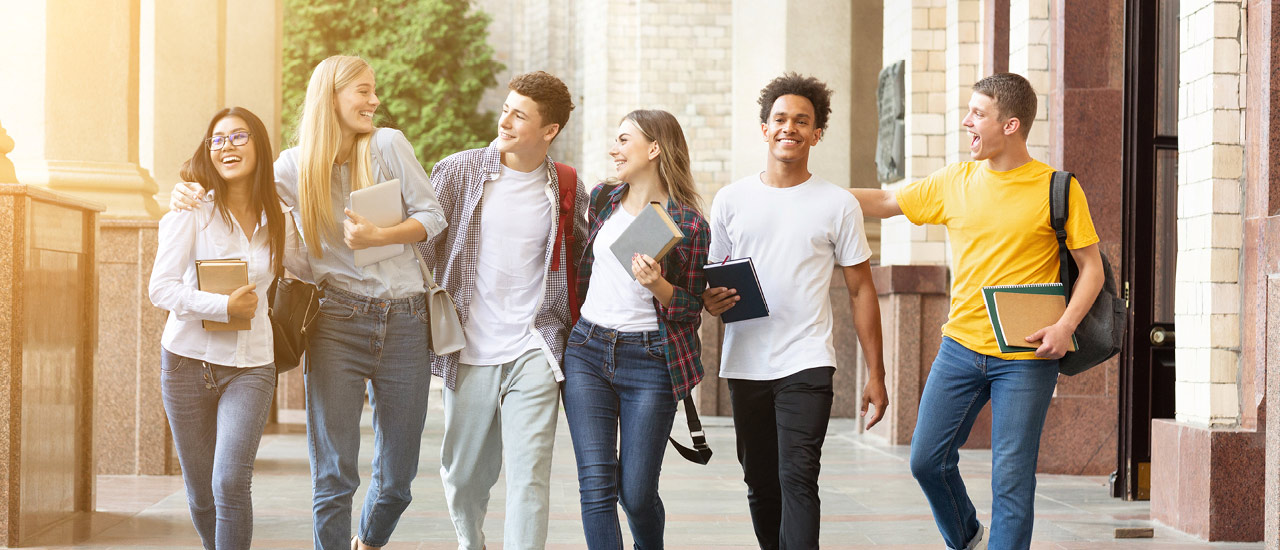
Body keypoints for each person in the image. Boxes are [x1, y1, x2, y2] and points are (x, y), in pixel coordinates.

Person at [169, 55, 448, 550]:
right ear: (332, 95)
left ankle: (369, 539)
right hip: (336, 320)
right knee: (335, 474)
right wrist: (185, 191)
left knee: (398, 480)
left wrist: (382, 233)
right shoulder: (293, 166)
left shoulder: (388, 144)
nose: (374, 100)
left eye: (373, 90)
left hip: (405, 318)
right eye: (363, 90)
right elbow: (240, 191)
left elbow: (433, 214)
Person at [849, 72, 1104, 550]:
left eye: (977, 114)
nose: (967, 122)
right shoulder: (954, 181)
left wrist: (1065, 326)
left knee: (1011, 477)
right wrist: (809, 194)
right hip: (960, 348)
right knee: (926, 459)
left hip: (1027, 356)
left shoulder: (1058, 188)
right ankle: (965, 536)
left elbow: (1092, 268)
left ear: (1010, 125)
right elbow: (885, 201)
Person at [701, 73, 889, 550]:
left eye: (802, 121)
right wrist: (710, 300)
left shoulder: (837, 204)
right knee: (760, 483)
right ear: (764, 128)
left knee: (799, 477)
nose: (790, 128)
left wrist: (876, 373)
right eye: (780, 119)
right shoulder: (730, 199)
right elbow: (715, 277)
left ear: (817, 133)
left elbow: (862, 289)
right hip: (746, 361)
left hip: (807, 361)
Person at [420, 70, 586, 550]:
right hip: (468, 345)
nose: (505, 120)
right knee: (463, 473)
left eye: (520, 114)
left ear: (549, 130)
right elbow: (423, 251)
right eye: (506, 108)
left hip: (535, 344)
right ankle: (472, 541)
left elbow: (585, 263)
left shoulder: (567, 187)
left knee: (530, 474)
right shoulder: (458, 171)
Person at [149, 106, 308, 549]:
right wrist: (223, 306)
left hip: (251, 365)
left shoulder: (278, 216)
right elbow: (160, 289)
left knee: (230, 483)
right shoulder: (191, 209)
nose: (226, 147)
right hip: (186, 364)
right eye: (217, 140)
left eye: (238, 137)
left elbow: (310, 269)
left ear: (259, 146)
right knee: (201, 494)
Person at [562, 109, 709, 549]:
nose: (614, 148)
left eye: (624, 140)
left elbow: (691, 308)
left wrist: (658, 285)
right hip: (588, 349)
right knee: (597, 487)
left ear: (654, 148)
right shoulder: (603, 198)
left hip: (650, 361)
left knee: (638, 495)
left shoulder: (688, 223)